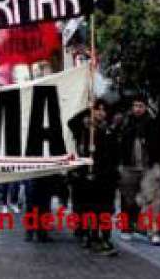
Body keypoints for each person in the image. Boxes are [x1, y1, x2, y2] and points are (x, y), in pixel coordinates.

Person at [68, 98, 118, 255]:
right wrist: (86, 108)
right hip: (87, 177)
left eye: (104, 110)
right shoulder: (84, 130)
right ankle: (91, 236)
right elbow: (71, 122)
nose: (101, 113)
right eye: (97, 109)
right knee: (90, 208)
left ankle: (106, 238)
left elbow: (113, 154)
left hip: (105, 177)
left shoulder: (109, 130)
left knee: (105, 209)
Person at [118, 95, 160, 246]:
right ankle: (128, 227)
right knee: (128, 199)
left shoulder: (153, 123)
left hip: (148, 167)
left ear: (145, 107)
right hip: (129, 166)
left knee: (152, 200)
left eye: (140, 106)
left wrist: (159, 161)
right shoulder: (126, 123)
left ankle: (153, 232)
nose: (137, 109)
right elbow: (120, 143)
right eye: (135, 106)